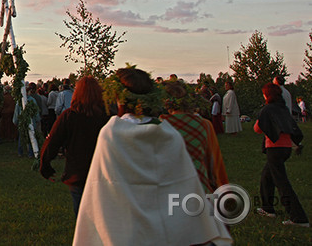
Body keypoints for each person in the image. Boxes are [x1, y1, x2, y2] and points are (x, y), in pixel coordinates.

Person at [72, 67, 232, 245]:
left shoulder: (111, 134)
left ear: (119, 98)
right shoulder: (170, 134)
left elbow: (103, 188)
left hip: (127, 228)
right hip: (170, 228)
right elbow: (183, 184)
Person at [40, 76, 109, 215]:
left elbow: (52, 142)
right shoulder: (107, 116)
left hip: (78, 173)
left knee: (82, 215)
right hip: (103, 173)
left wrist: (45, 166)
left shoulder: (70, 116)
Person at [159, 79, 229, 194]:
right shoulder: (204, 125)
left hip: (169, 190)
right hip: (199, 189)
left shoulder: (161, 125)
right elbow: (215, 163)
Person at [254, 83, 309, 227]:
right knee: (266, 177)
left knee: (282, 183)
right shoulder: (283, 109)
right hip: (285, 148)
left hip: (274, 148)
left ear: (267, 95)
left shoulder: (267, 110)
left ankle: (298, 218)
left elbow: (257, 129)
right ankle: (267, 208)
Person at [13, 83, 41, 158]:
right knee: (30, 137)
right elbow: (36, 111)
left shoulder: (19, 101)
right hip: (30, 121)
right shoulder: (32, 100)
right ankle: (30, 153)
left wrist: (15, 121)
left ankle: (20, 152)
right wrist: (37, 119)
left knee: (22, 137)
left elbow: (17, 112)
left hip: (22, 121)